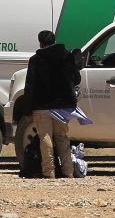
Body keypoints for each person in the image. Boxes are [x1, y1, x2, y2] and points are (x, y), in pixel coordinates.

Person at [23, 30, 81, 179]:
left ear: (40, 43)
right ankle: (68, 171)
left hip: (42, 105)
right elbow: (77, 79)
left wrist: (27, 108)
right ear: (54, 41)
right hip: (63, 105)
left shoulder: (36, 60)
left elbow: (30, 86)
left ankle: (49, 172)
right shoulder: (67, 56)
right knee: (62, 137)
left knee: (45, 137)